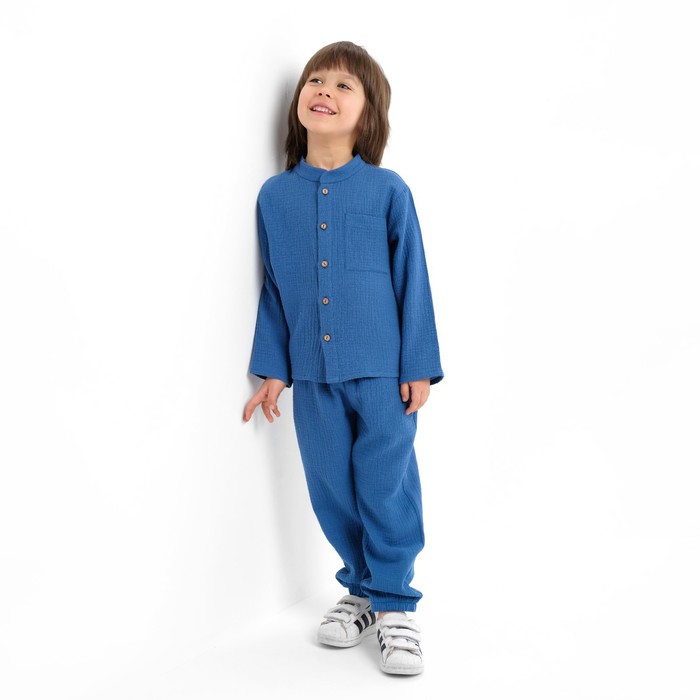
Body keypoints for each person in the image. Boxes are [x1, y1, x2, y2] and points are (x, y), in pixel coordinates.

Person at [243, 40, 443, 676]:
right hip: (312, 375)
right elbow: (274, 289)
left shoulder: (387, 190)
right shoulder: (275, 197)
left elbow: (413, 278)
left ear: (368, 112)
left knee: (385, 486)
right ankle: (361, 588)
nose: (324, 90)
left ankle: (395, 604)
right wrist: (275, 371)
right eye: (315, 80)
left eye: (343, 85)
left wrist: (418, 363)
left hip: (384, 374)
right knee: (330, 487)